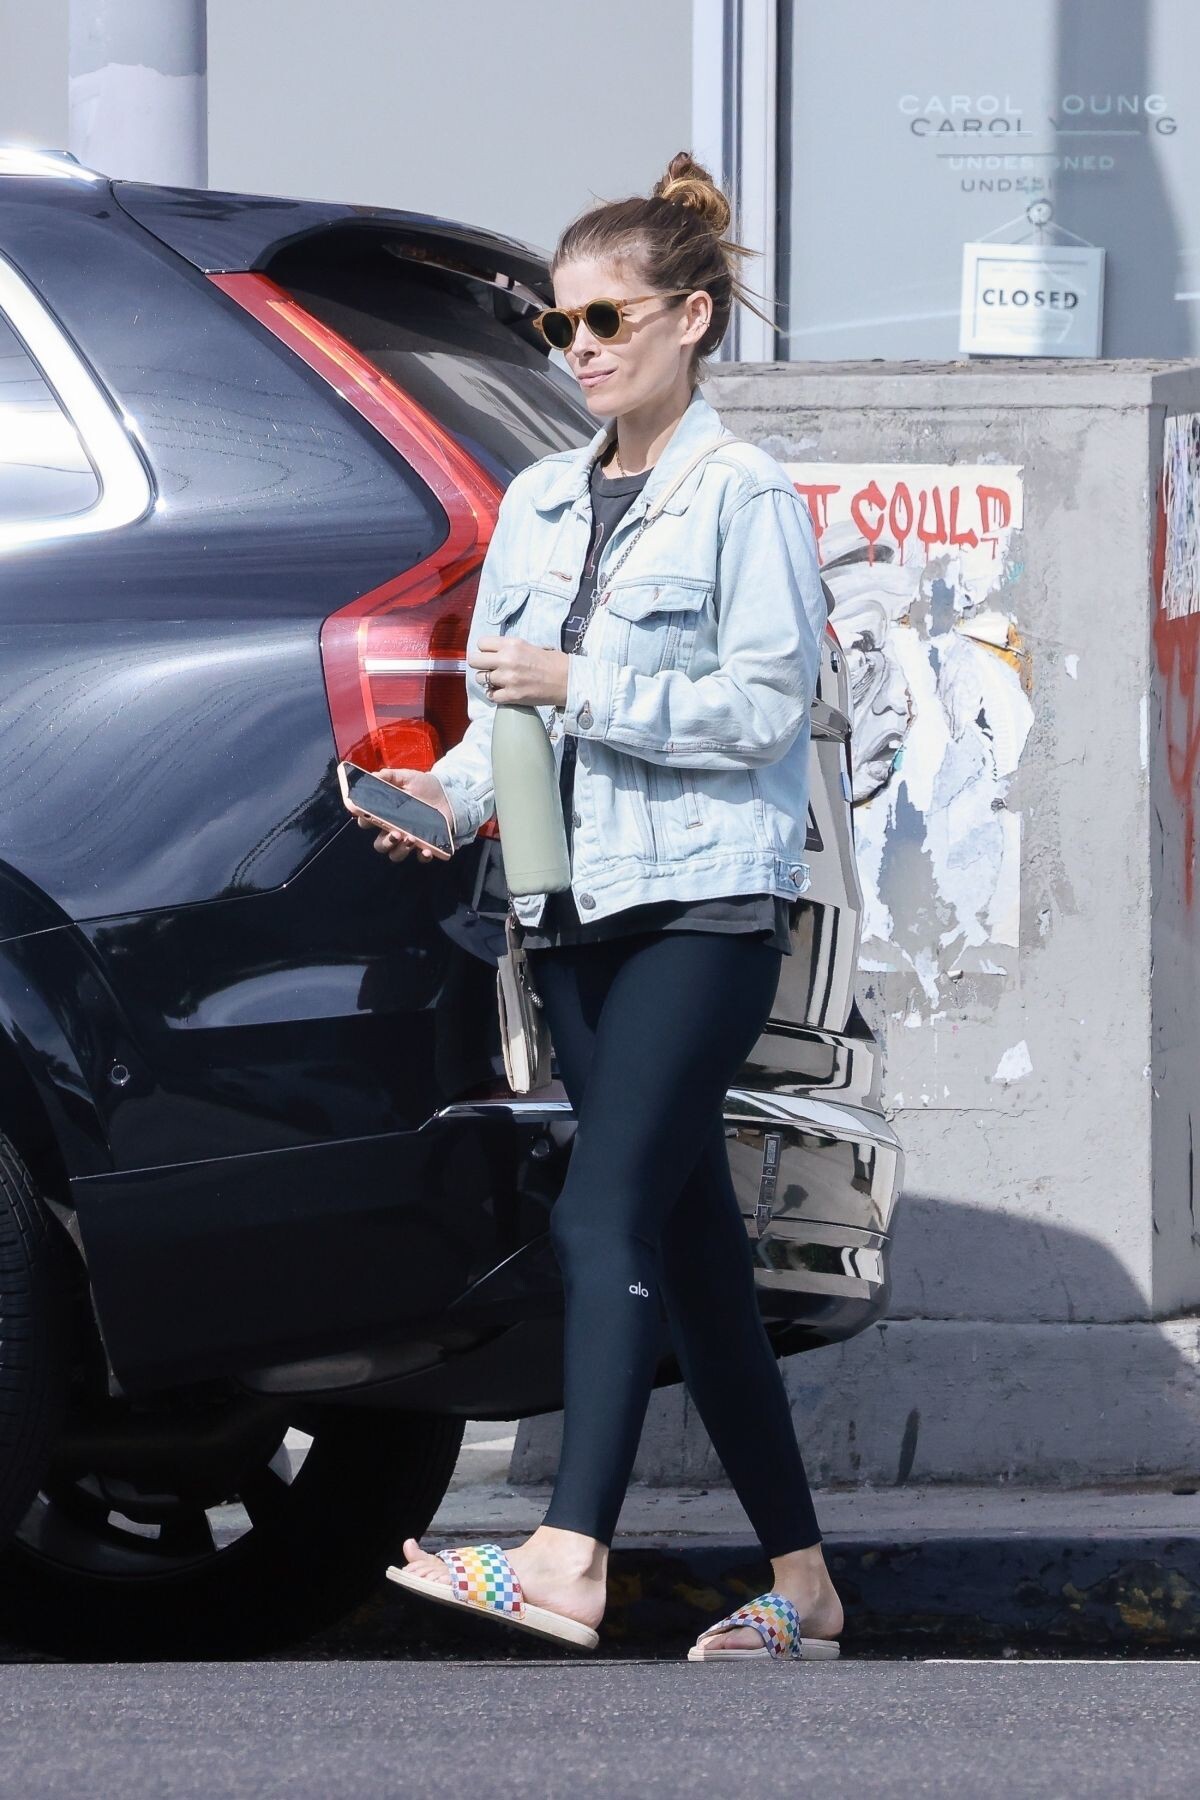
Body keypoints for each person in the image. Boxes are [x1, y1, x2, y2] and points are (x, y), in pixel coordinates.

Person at [342, 150, 845, 1662]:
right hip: (569, 907)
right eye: (562, 324)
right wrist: (443, 800)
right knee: (694, 1257)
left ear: (692, 318)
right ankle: (807, 1592)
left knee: (602, 1208)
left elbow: (767, 707)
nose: (582, 348)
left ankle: (568, 1557)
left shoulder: (743, 495)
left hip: (701, 904)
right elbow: (509, 714)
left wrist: (586, 680)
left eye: (609, 317)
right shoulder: (542, 497)